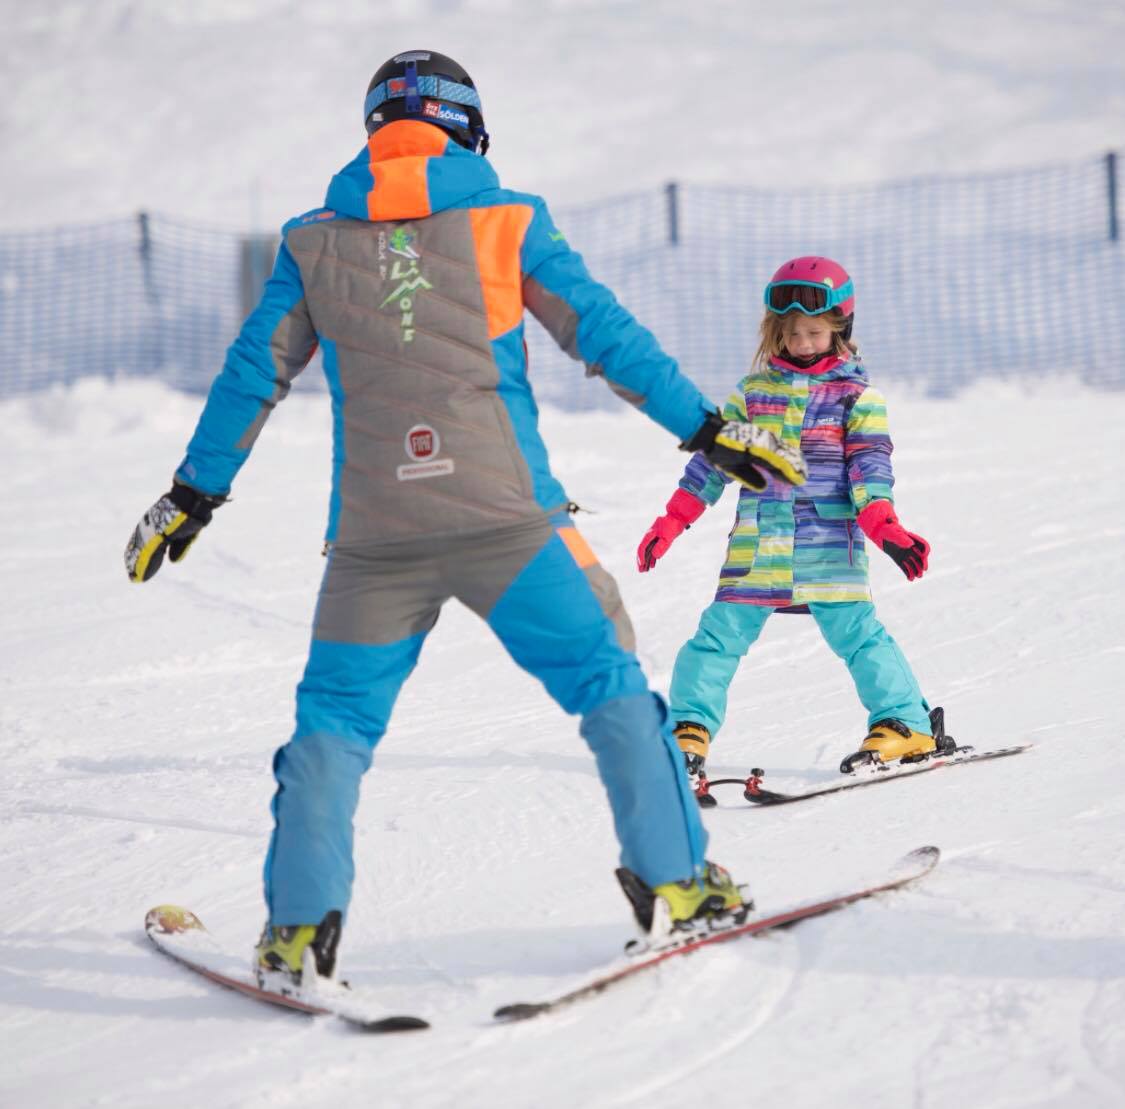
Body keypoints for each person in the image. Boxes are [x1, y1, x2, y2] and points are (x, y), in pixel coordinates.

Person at [123, 50, 801, 989]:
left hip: (374, 542)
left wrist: (193, 492)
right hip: (508, 522)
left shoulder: (310, 240)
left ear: (374, 129)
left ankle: (294, 936)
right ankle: (679, 884)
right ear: (468, 127)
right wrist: (704, 427)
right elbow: (600, 332)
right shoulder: (506, 218)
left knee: (332, 723)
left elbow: (253, 370)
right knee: (609, 686)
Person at [637, 256, 941, 803]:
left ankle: (906, 725)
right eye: (792, 332)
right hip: (759, 548)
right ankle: (687, 732)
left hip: (828, 545)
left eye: (815, 331)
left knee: (858, 635)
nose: (802, 342)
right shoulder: (752, 394)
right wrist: (672, 519)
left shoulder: (857, 399)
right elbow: (711, 463)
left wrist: (884, 523)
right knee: (716, 637)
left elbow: (870, 465)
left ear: (839, 329)